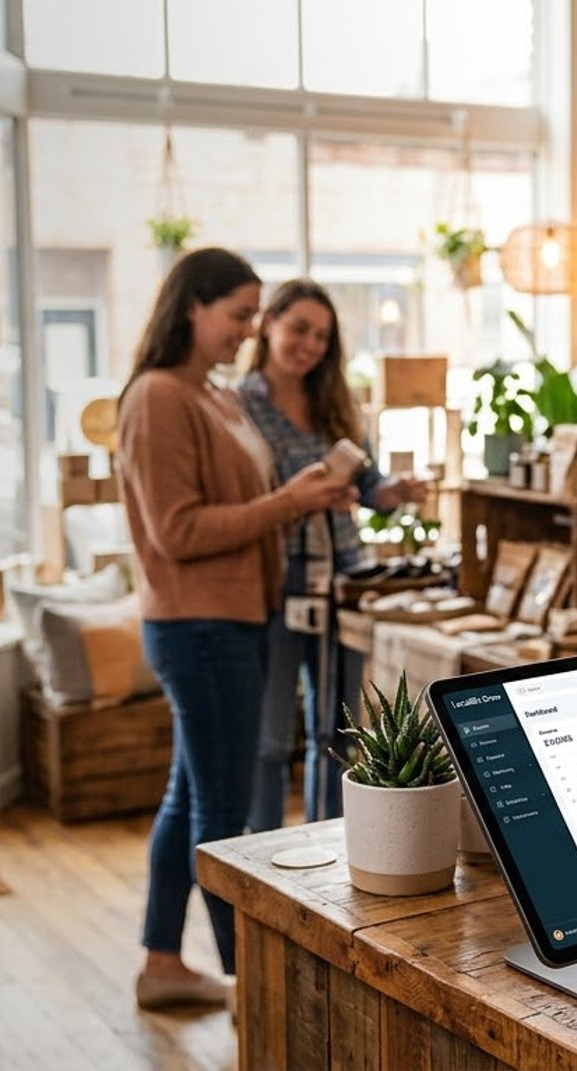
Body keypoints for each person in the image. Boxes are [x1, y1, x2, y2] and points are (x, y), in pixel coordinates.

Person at [117, 249, 356, 1011]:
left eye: (254, 315)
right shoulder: (158, 397)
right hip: (200, 625)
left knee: (191, 801)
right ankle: (256, 984)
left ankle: (163, 961)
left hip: (235, 620)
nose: (248, 330)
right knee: (222, 819)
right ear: (192, 307)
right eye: (240, 314)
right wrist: (291, 502)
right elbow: (178, 529)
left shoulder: (213, 397)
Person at [238, 279, 425, 830]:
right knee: (270, 736)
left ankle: (335, 850)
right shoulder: (239, 406)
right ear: (269, 322)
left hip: (346, 577)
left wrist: (393, 492)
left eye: (322, 335)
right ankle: (263, 857)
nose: (310, 345)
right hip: (276, 579)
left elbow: (368, 485)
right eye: (300, 328)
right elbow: (246, 499)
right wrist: (299, 497)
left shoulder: (336, 402)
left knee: (339, 731)